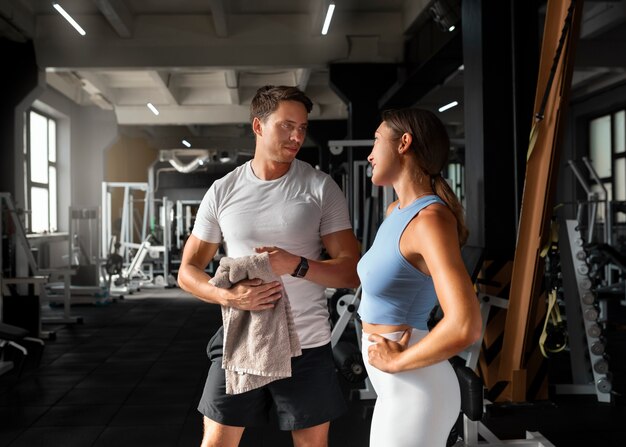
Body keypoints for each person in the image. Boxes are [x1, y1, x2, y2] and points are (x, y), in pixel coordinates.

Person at [177, 85, 360, 447]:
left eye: (303, 128)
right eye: (287, 125)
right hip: (243, 339)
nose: (297, 136)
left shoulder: (320, 188)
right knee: (216, 444)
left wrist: (296, 265)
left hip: (306, 344)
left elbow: (351, 271)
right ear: (258, 126)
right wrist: (226, 296)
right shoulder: (222, 190)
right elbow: (187, 271)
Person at [357, 108, 483, 447]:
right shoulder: (394, 212)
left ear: (404, 143)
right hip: (393, 384)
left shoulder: (430, 220)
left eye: (376, 141)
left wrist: (398, 361)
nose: (370, 154)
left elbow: (465, 325)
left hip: (416, 387)